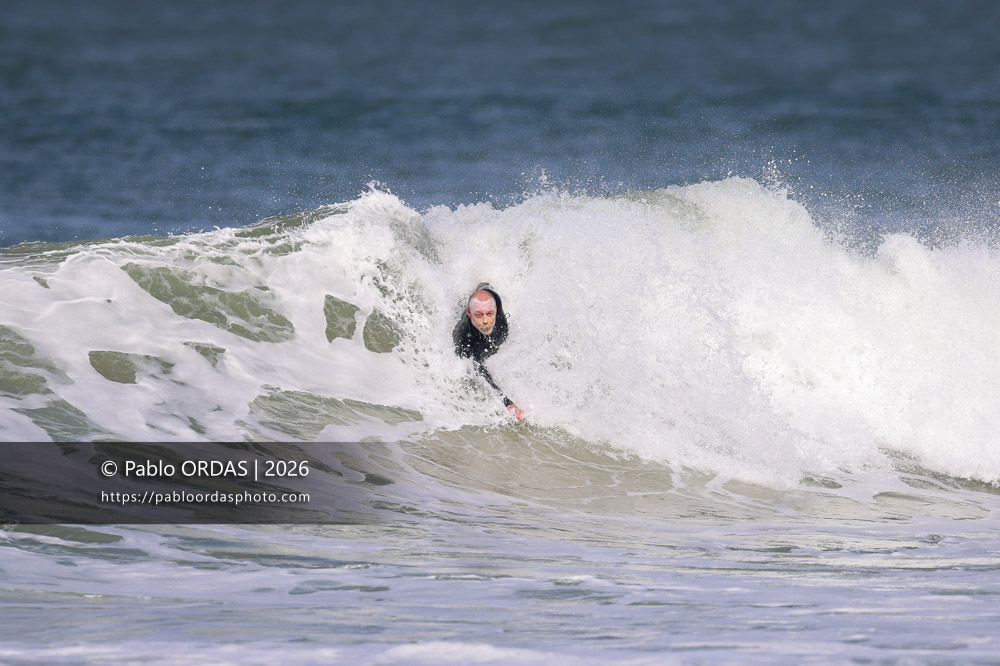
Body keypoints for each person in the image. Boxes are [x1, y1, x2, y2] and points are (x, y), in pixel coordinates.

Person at [453, 282, 525, 421]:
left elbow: (485, 289)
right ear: (469, 313)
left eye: (489, 314)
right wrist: (508, 403)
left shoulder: (495, 299)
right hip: (474, 342)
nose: (486, 321)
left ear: (496, 309)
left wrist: (482, 286)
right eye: (479, 315)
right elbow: (480, 373)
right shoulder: (463, 339)